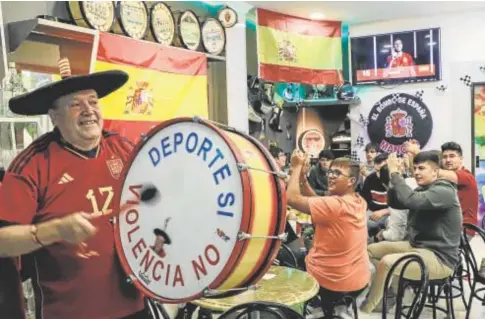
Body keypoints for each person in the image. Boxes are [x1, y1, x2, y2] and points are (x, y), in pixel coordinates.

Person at [0, 59, 151, 319]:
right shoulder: (33, 164)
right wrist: (54, 230)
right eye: (75, 104)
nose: (88, 110)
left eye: (93, 101)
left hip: (135, 307)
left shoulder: (123, 149)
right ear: (54, 117)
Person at [361, 152, 462, 313]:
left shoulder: (444, 190)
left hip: (439, 258)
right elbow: (396, 202)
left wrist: (395, 174)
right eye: (414, 168)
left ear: (435, 172)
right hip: (418, 246)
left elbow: (411, 200)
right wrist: (394, 176)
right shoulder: (424, 188)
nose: (416, 172)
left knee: (387, 263)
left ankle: (366, 310)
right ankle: (392, 291)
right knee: (370, 250)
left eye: (422, 168)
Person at [287, 150, 370, 318]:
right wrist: (303, 179)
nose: (331, 176)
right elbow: (319, 201)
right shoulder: (359, 201)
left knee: (289, 258)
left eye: (337, 173)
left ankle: (308, 307)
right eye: (331, 171)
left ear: (351, 181)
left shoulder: (336, 205)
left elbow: (291, 198)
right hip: (358, 278)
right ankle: (334, 308)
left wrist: (295, 168)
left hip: (333, 281)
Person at [375, 164, 418, 242]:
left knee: (371, 249)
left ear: (384, 185)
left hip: (416, 241)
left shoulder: (396, 195)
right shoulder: (411, 181)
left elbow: (397, 236)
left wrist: (382, 234)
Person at [360, 153, 390, 241]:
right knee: (360, 222)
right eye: (377, 171)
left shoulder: (396, 180)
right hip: (372, 211)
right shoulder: (370, 179)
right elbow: (364, 199)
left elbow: (403, 208)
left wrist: (384, 211)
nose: (379, 174)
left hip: (390, 214)